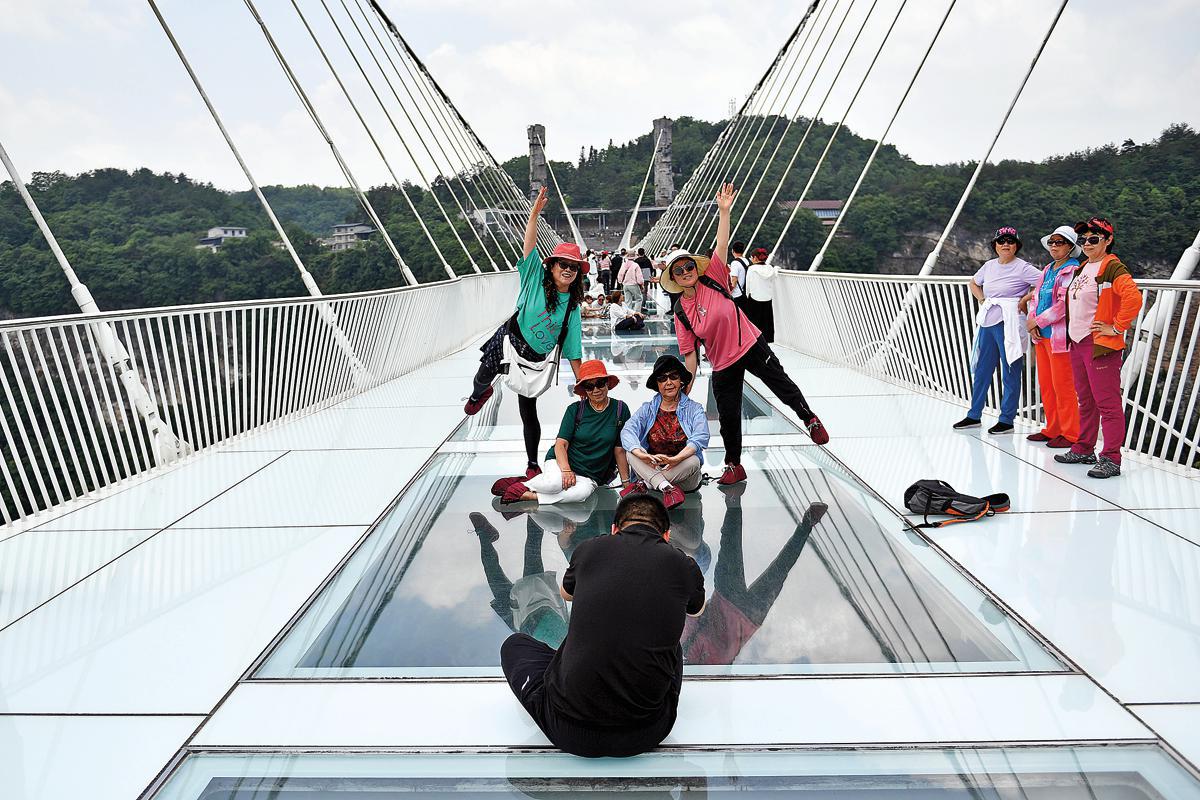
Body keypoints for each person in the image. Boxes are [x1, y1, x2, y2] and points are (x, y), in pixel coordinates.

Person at [499, 493, 706, 757]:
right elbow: (697, 610)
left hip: (568, 731)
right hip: (647, 732)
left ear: (615, 529)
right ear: (666, 536)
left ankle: (573, 673)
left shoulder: (590, 549)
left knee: (514, 645)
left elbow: (566, 594)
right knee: (671, 646)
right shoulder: (684, 565)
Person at [660, 183, 828, 486]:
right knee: (727, 415)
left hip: (749, 343)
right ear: (673, 277)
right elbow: (689, 355)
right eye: (678, 270)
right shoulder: (680, 310)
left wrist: (724, 212)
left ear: (696, 267)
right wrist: (685, 389)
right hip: (722, 362)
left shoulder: (712, 277)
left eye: (688, 266)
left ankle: (810, 419)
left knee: (780, 384)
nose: (685, 272)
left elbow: (722, 245)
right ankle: (734, 465)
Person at [466, 187, 586, 480]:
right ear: (552, 266)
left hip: (534, 359)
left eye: (574, 267)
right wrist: (534, 214)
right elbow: (529, 246)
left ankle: (532, 463)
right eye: (563, 264)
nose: (568, 270)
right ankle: (480, 393)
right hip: (509, 340)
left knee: (528, 410)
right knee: (482, 376)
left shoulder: (572, 307)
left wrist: (584, 383)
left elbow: (573, 350)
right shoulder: (534, 278)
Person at [1054, 217, 1143, 478]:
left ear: (1108, 240)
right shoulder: (1084, 267)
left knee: (1107, 403)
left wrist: (1116, 327)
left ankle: (1111, 458)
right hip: (1078, 342)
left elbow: (1133, 298)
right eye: (1083, 239)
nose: (1087, 243)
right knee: (1086, 400)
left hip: (1099, 345)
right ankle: (1084, 448)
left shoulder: (1112, 267)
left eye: (1094, 239)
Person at [493, 360, 632, 504]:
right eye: (589, 386)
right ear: (584, 390)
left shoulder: (620, 409)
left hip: (591, 474)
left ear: (607, 383)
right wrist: (566, 470)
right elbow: (561, 444)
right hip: (562, 462)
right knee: (553, 485)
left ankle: (532, 496)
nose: (596, 390)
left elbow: (619, 450)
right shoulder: (575, 409)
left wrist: (626, 482)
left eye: (600, 383)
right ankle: (523, 485)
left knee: (581, 495)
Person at [953, 226, 1043, 434]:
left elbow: (1047, 283)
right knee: (982, 370)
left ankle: (1007, 419)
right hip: (988, 322)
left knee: (1010, 370)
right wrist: (982, 299)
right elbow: (973, 283)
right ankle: (974, 414)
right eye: (1001, 241)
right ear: (995, 245)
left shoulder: (1023, 268)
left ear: (1016, 246)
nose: (1006, 244)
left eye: (1010, 241)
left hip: (1009, 323)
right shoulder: (989, 266)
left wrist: (1025, 298)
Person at [620, 355, 710, 510]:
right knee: (631, 452)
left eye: (673, 376)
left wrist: (676, 459)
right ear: (657, 384)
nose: (668, 382)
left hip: (683, 475)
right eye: (662, 378)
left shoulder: (694, 409)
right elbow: (627, 431)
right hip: (654, 467)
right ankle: (666, 488)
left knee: (694, 461)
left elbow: (700, 437)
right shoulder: (648, 409)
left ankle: (648, 484)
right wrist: (643, 455)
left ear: (681, 381)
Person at [1023, 226, 1083, 448]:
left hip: (1060, 337)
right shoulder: (1048, 269)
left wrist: (1037, 321)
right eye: (1052, 242)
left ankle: (1071, 434)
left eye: (1060, 242)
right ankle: (1053, 428)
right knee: (1047, 384)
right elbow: (1036, 298)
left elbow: (1064, 304)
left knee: (1063, 385)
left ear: (1070, 247)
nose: (1055, 246)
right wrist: (1032, 321)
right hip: (1041, 336)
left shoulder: (1072, 270)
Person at [741, 246, 778, 343]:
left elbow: (748, 286)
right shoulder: (770, 268)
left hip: (754, 298)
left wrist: (746, 296)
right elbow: (775, 276)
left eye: (751, 257)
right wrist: (776, 269)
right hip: (767, 298)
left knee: (754, 323)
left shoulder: (751, 269)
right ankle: (767, 341)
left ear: (755, 258)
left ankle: (755, 342)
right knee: (767, 322)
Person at [728, 240, 749, 311]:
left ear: (733, 251)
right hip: (744, 293)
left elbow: (734, 280)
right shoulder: (746, 261)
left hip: (736, 295)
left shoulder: (735, 263)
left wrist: (729, 292)